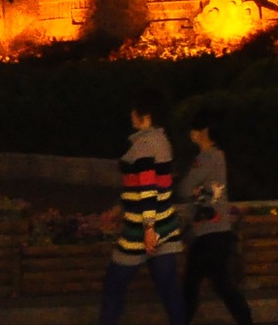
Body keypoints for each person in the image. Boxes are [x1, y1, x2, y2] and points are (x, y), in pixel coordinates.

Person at [97, 89, 185, 325]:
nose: (130, 115)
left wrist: (148, 227)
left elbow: (148, 190)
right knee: (170, 291)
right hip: (166, 226)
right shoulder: (163, 142)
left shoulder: (144, 146)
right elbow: (155, 187)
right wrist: (120, 208)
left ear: (144, 115)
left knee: (113, 286)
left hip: (140, 232)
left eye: (134, 111)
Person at [178, 115, 252, 325]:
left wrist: (193, 190)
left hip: (207, 233)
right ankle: (246, 320)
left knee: (193, 285)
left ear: (203, 132)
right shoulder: (219, 156)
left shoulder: (205, 158)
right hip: (219, 232)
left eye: (194, 129)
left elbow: (184, 188)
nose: (191, 133)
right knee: (220, 284)